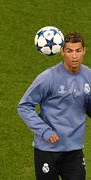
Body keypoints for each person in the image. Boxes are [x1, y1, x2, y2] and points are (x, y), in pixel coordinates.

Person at [17, 32, 91, 180]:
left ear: (84, 51)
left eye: (78, 50)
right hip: (47, 149)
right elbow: (24, 106)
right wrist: (44, 131)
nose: (74, 56)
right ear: (62, 52)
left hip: (74, 150)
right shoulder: (48, 77)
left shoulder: (89, 75)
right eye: (69, 51)